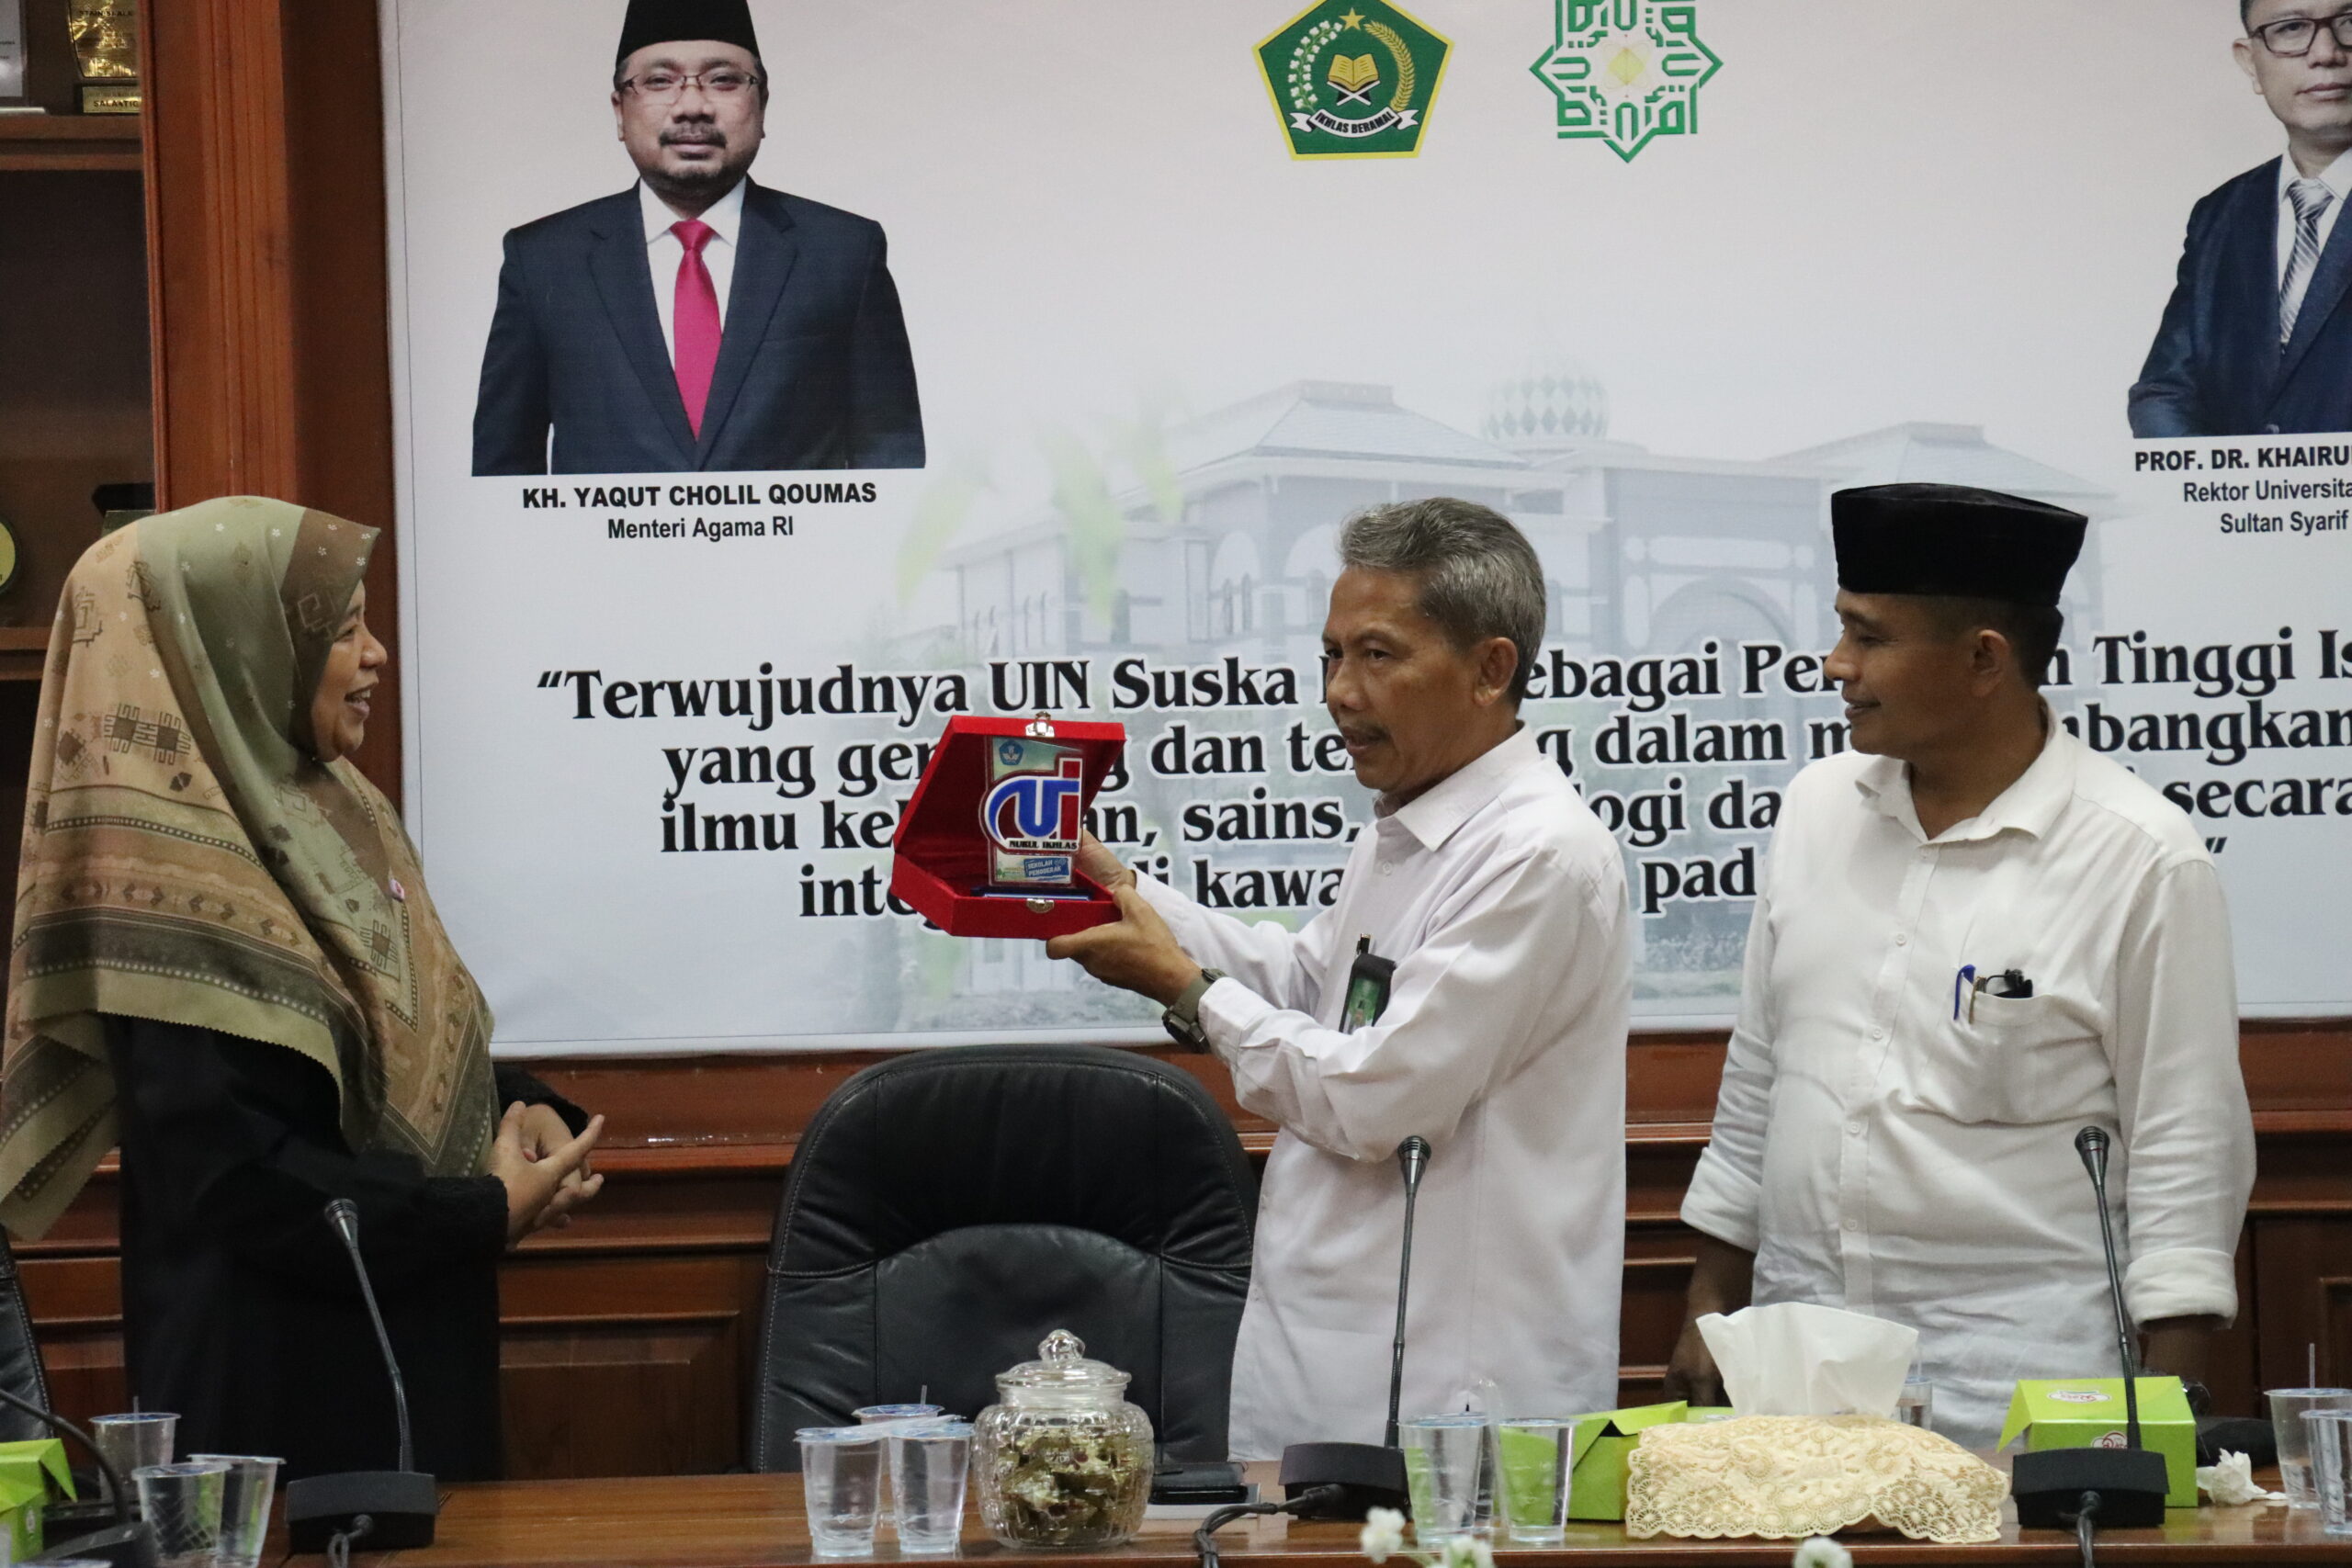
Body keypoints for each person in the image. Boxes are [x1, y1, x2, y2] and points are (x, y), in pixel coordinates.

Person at [0, 497, 605, 1481]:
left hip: (419, 1337)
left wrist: (517, 1106)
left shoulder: (334, 809)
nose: (375, 656)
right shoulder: (167, 877)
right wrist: (482, 1211)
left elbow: (373, 1051)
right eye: (342, 629)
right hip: (281, 1411)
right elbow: (251, 1178)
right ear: (236, 648)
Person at [1665, 483, 2256, 1450]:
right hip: (1798, 1379)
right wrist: (1710, 1298)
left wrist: (2160, 1425)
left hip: (2020, 1403)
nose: (1837, 663)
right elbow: (1762, 1072)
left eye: (1869, 636)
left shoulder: (2140, 857)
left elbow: (2186, 1148)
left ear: (1984, 658)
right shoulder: (1815, 809)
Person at [1046, 498, 1629, 1459]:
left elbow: (1378, 1097)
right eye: (1330, 655)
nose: (1339, 692)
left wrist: (1187, 991)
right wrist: (1125, 893)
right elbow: (1309, 983)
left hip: (1456, 1381)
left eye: (1377, 655)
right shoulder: (1411, 825)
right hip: (1337, 1357)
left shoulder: (1537, 854)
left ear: (1491, 669)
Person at [472, 0, 924, 475]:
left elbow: (892, 458)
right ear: (620, 111)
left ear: (762, 105)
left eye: (723, 80)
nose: (692, 107)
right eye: (659, 81)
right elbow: (502, 471)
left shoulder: (844, 252)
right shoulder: (543, 260)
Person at [2131, 0, 2352, 436]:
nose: (2325, 52)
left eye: (2350, 22)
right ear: (2251, 62)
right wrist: (2217, 476)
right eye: (2291, 28)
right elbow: (2166, 390)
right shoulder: (2221, 214)